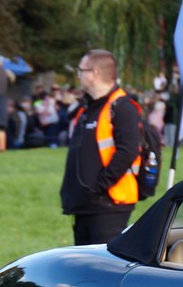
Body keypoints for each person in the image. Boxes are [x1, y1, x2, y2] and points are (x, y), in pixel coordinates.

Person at [60, 49, 142, 245]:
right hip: (85, 204)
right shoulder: (88, 107)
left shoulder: (122, 107)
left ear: (95, 73)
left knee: (103, 267)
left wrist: (100, 186)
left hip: (108, 204)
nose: (79, 75)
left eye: (81, 70)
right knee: (84, 269)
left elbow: (127, 151)